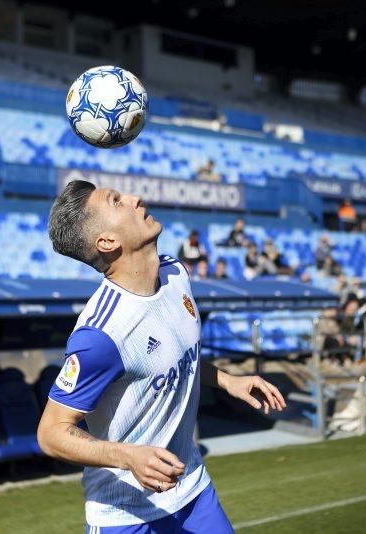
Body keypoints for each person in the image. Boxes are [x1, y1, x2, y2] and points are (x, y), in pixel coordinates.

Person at [41, 180, 285, 533]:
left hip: (192, 490)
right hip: (126, 515)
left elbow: (175, 355)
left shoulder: (176, 274)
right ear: (108, 242)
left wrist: (229, 381)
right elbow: (51, 433)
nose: (135, 198)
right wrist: (127, 456)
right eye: (117, 201)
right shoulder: (101, 334)